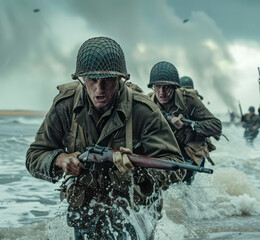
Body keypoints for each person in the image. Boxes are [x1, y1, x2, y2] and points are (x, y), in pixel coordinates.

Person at [26, 37, 186, 239]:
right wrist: (60, 160)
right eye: (92, 80)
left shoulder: (144, 111)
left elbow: (175, 166)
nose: (99, 89)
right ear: (82, 79)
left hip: (132, 212)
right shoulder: (65, 106)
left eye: (107, 80)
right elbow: (34, 156)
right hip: (85, 209)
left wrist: (139, 170)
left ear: (120, 79)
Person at [148, 61, 222, 184]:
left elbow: (216, 125)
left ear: (174, 87)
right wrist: (168, 118)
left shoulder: (188, 100)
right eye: (157, 86)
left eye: (166, 87)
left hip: (188, 151)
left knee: (185, 184)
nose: (161, 92)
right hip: (163, 148)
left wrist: (189, 126)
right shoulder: (148, 102)